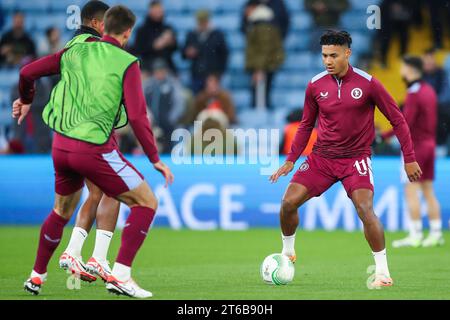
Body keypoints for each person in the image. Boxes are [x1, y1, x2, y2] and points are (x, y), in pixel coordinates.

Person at [15, 5, 174, 298]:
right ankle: (121, 274)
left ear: (103, 26)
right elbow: (138, 117)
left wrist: (26, 99)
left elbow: (27, 72)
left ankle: (37, 276)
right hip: (93, 148)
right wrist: (155, 159)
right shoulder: (127, 62)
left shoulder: (74, 50)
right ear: (127, 31)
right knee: (146, 201)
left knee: (61, 210)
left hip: (60, 145)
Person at [269, 30, 422, 288]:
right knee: (287, 203)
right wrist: (291, 159)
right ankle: (287, 253)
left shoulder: (368, 83)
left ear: (347, 54)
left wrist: (409, 157)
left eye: (333, 55)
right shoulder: (315, 85)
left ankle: (383, 272)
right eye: (324, 56)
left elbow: (397, 119)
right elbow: (306, 125)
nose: (328, 61)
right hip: (322, 158)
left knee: (364, 209)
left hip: (355, 159)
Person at [55, 0, 127, 285]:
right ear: (99, 24)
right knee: (115, 189)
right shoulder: (98, 49)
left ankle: (74, 252)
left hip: (74, 130)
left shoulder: (72, 48)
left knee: (97, 193)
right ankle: (97, 257)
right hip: (95, 132)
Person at [381, 56, 443, 248]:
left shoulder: (414, 93)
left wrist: (383, 136)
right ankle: (435, 233)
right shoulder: (429, 90)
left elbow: (405, 122)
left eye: (403, 67)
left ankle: (415, 234)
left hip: (415, 148)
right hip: (430, 145)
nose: (401, 71)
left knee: (411, 191)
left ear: (410, 69)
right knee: (428, 190)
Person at [242, 0, 285, 109]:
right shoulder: (262, 23)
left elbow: (264, 49)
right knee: (262, 94)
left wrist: (259, 69)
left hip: (264, 66)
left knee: (261, 95)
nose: (245, 12)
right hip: (266, 64)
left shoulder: (261, 25)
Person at [143, 58, 186, 153]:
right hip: (152, 122)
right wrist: (147, 116)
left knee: (168, 145)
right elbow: (141, 102)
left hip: (168, 123)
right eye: (157, 71)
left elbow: (179, 102)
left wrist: (171, 118)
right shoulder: (148, 85)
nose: (159, 73)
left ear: (165, 71)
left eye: (161, 70)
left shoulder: (172, 84)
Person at [182, 10, 229, 94]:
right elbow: (183, 54)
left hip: (213, 75)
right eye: (200, 22)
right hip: (197, 75)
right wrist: (188, 52)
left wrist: (218, 74)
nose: (202, 24)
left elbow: (224, 55)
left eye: (204, 21)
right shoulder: (192, 35)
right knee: (198, 101)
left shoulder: (217, 35)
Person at [131, 0, 177, 73]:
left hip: (166, 67)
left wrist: (171, 42)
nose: (159, 12)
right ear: (150, 11)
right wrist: (154, 46)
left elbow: (176, 49)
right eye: (156, 10)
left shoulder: (168, 28)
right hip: (148, 68)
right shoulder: (142, 30)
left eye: (160, 10)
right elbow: (137, 50)